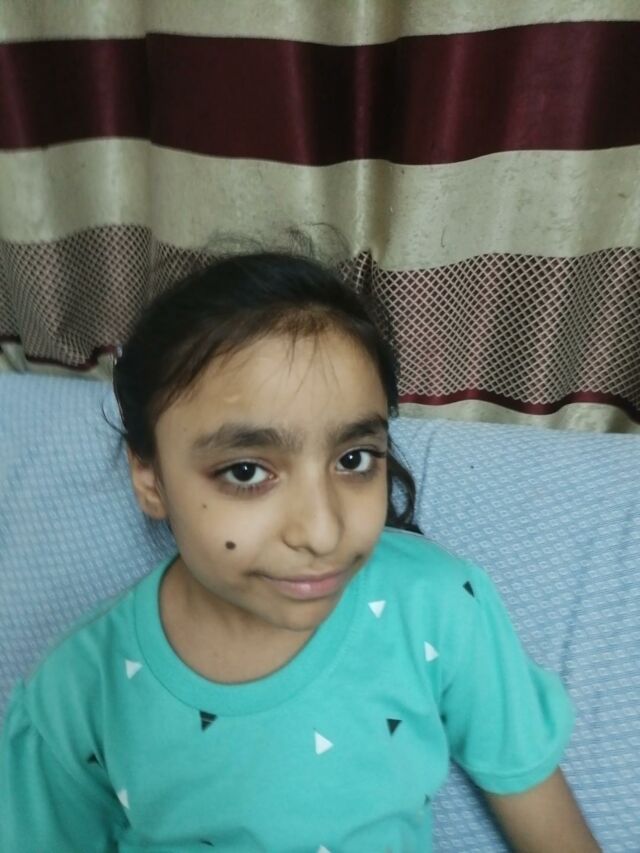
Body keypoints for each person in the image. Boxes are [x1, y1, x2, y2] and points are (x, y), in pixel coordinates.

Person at [0, 247, 600, 852]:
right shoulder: (78, 693)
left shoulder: (439, 607)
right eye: (245, 472)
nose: (322, 532)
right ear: (150, 478)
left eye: (354, 460)